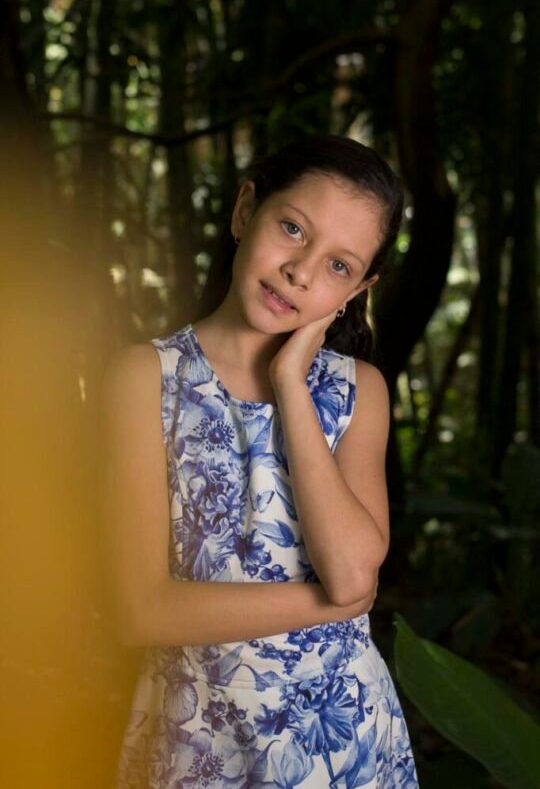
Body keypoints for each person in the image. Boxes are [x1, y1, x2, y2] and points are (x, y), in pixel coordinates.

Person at [102, 134, 419, 788]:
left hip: (342, 745)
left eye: (339, 265)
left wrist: (291, 384)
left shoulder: (359, 391)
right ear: (246, 210)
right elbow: (143, 610)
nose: (301, 270)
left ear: (360, 288)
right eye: (293, 228)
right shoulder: (145, 378)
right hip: (198, 740)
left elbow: (353, 568)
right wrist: (331, 606)